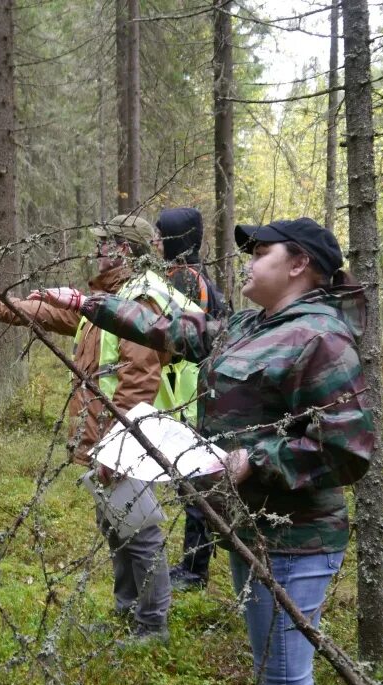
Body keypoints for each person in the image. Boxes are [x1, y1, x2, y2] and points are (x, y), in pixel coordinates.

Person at [33, 217, 375, 685]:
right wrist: (87, 304)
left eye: (262, 251)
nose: (249, 258)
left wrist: (249, 460)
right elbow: (175, 331)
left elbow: (349, 449)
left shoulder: (320, 338)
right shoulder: (251, 324)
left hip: (295, 541)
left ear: (298, 265)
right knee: (275, 682)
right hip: (248, 526)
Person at [0, 213, 203, 644]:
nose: (96, 252)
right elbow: (48, 313)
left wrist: (120, 447)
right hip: (108, 437)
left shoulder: (141, 299)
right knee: (115, 523)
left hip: (130, 437)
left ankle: (152, 625)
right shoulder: (109, 297)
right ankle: (126, 612)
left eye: (104, 244)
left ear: (126, 250)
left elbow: (139, 377)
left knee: (139, 529)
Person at [154, 207, 230, 591]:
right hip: (192, 393)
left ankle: (195, 569)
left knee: (195, 479)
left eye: (160, 233)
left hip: (191, 395)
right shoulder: (192, 277)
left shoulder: (185, 280)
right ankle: (195, 563)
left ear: (174, 238)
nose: (154, 239)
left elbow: (179, 339)